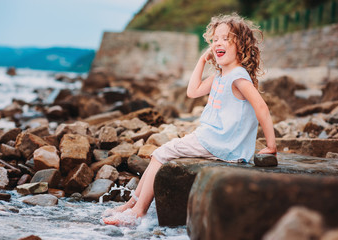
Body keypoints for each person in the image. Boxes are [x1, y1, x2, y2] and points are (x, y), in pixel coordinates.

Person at [102, 13, 277, 226]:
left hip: (221, 142)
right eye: (214, 40)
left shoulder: (238, 76)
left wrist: (271, 146)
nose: (217, 43)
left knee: (161, 153)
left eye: (225, 38)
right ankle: (132, 203)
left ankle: (138, 212)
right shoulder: (221, 74)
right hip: (214, 139)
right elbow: (192, 91)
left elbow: (262, 108)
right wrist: (202, 60)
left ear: (240, 45)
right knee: (161, 152)